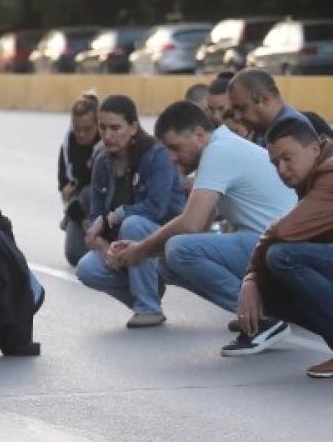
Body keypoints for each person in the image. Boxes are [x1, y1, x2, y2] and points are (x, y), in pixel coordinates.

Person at [108, 102, 297, 354]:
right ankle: (255, 313)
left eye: (175, 147)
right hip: (272, 247)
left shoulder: (218, 151)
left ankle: (261, 320)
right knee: (168, 262)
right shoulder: (222, 147)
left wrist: (141, 250)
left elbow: (191, 224)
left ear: (199, 134)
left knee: (178, 250)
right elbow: (202, 224)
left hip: (284, 250)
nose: (172, 157)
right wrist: (146, 249)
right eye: (167, 150)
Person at [71, 96, 187, 328]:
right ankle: (147, 293)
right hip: (124, 243)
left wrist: (114, 216)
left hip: (164, 236)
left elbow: (156, 208)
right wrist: (105, 249)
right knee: (86, 269)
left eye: (115, 128)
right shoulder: (102, 161)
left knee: (133, 224)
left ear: (133, 127)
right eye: (102, 128)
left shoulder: (156, 155)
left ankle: (148, 307)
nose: (107, 136)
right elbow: (95, 215)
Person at [237, 118, 333, 379]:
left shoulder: (329, 174)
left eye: (288, 158)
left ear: (314, 148)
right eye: (275, 163)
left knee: (284, 257)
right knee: (270, 287)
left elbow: (282, 231)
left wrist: (250, 277)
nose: (281, 168)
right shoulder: (314, 173)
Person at [227, 69, 333, 150]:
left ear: (265, 99)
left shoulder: (291, 134)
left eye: (242, 108)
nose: (237, 116)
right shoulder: (261, 131)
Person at [60, 92, 102, 266]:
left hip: (106, 206)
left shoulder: (107, 142)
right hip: (82, 209)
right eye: (77, 129)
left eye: (87, 129)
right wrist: (84, 223)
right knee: (74, 255)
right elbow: (65, 192)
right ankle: (75, 223)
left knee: (87, 191)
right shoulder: (68, 145)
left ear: (97, 125)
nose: (81, 135)